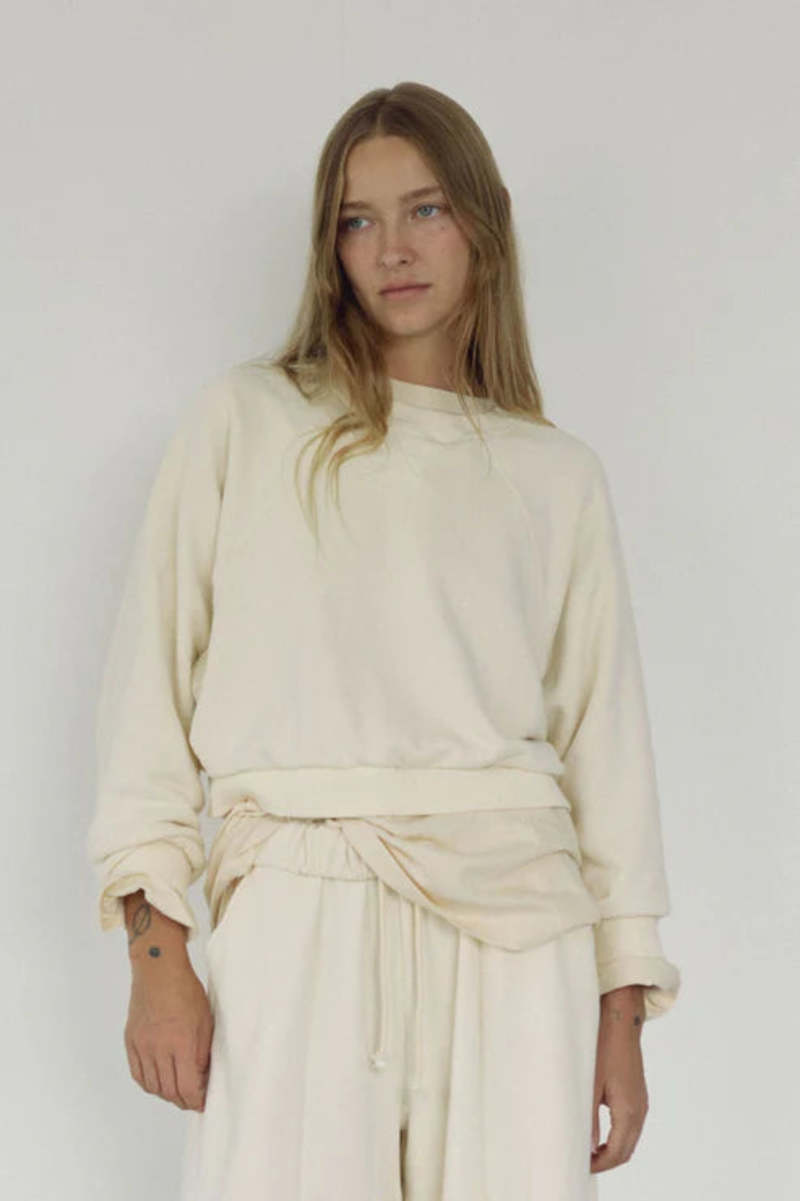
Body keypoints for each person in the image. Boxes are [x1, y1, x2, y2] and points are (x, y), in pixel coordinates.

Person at [86, 81, 681, 1200]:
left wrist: (621, 1009)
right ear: (331, 246)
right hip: (299, 898)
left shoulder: (553, 474)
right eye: (357, 219)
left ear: (481, 226)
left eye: (425, 210)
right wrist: (157, 950)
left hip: (517, 932)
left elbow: (607, 753)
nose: (391, 249)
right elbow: (147, 698)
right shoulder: (249, 420)